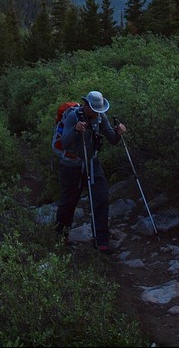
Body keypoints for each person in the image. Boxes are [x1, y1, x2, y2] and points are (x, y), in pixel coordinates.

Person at [54, 90, 127, 253]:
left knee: (101, 197)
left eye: (99, 110)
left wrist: (119, 133)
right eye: (94, 109)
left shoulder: (101, 116)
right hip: (71, 163)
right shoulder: (74, 117)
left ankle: (101, 241)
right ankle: (60, 236)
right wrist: (75, 129)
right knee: (68, 201)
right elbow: (65, 143)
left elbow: (112, 139)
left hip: (92, 161)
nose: (97, 113)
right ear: (86, 105)